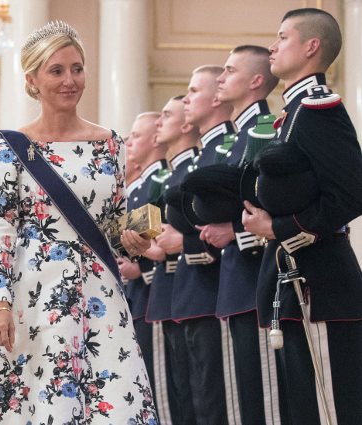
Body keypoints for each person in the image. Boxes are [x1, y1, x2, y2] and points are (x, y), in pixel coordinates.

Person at [0, 21, 157, 425]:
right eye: (57, 70)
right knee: (41, 398)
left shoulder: (111, 144)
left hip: (100, 293)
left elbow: (113, 221)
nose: (70, 80)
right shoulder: (12, 148)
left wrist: (131, 239)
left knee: (114, 401)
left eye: (77, 68)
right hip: (36, 293)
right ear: (32, 80)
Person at [242, 8, 362, 424]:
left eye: (282, 37)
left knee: (330, 411)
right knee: (303, 409)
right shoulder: (292, 114)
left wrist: (277, 228)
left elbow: (350, 194)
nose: (272, 46)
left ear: (311, 47)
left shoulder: (318, 109)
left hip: (322, 284)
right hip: (294, 282)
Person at [207, 45, 281, 424]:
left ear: (255, 81)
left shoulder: (264, 129)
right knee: (243, 399)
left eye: (230, 71)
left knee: (263, 400)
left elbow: (272, 206)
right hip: (236, 281)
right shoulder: (238, 137)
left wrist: (235, 233)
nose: (221, 78)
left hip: (257, 280)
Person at [168, 66, 234, 425]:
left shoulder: (229, 145)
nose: (187, 99)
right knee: (190, 401)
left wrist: (182, 242)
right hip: (192, 292)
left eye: (194, 91)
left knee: (219, 402)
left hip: (218, 288)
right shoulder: (203, 156)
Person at [146, 96, 198, 425]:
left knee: (192, 395)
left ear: (185, 125)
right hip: (167, 290)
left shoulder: (166, 177)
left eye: (166, 115)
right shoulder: (152, 183)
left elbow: (157, 246)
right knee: (178, 392)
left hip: (187, 283)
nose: (156, 127)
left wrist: (143, 251)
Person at [118, 112, 167, 408]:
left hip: (153, 293)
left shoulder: (156, 183)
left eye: (135, 138)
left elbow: (158, 244)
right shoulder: (135, 192)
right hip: (137, 294)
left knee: (160, 387)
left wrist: (141, 266)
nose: (129, 144)